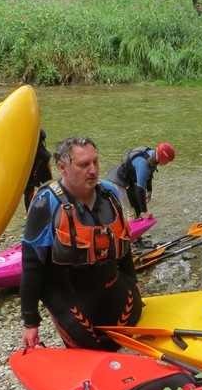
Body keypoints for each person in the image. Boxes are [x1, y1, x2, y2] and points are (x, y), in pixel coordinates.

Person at [20, 135, 143, 351]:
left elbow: (123, 244)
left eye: (95, 162)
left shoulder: (110, 194)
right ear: (62, 168)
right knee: (91, 347)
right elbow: (31, 265)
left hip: (110, 284)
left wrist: (133, 281)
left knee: (125, 332)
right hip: (70, 294)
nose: (93, 170)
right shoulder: (45, 204)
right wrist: (31, 322)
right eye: (84, 164)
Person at [107, 142, 175, 219]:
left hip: (129, 181)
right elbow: (140, 189)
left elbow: (149, 175)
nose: (168, 163)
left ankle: (132, 223)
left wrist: (149, 191)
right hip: (121, 183)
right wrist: (145, 211)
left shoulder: (152, 155)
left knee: (137, 209)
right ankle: (129, 229)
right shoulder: (144, 165)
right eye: (168, 161)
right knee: (132, 211)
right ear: (163, 157)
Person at [23, 128, 53, 211]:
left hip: (37, 157)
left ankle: (50, 207)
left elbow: (42, 135)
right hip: (33, 158)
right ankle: (30, 213)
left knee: (48, 184)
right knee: (30, 188)